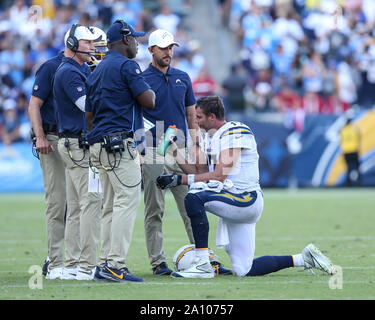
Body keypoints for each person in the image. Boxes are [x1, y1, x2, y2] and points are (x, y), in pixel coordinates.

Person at [156, 95, 336, 278]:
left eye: (199, 117)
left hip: (246, 199)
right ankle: (303, 258)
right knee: (244, 270)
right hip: (231, 200)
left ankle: (203, 264)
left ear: (212, 116)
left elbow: (219, 176)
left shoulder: (235, 130)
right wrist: (173, 150)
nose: (196, 121)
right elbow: (199, 173)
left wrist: (179, 180)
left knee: (193, 197)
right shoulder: (208, 138)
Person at [142, 29, 232, 276]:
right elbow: (137, 117)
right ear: (151, 50)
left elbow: (191, 113)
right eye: (163, 48)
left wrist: (195, 144)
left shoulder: (182, 76)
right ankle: (158, 262)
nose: (168, 52)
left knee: (192, 205)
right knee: (154, 209)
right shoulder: (140, 79)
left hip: (181, 148)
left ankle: (205, 259)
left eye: (171, 47)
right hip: (152, 150)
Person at [85, 20, 155, 283]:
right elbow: (149, 101)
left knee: (111, 205)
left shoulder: (98, 68)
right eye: (135, 39)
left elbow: (89, 115)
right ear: (125, 40)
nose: (138, 43)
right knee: (127, 201)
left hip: (98, 144)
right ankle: (115, 265)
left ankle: (104, 263)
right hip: (118, 144)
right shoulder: (128, 65)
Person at [53, 24, 103, 280]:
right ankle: (86, 265)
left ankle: (73, 265)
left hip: (73, 143)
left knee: (75, 208)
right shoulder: (70, 72)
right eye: (88, 43)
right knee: (91, 202)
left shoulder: (79, 69)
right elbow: (87, 106)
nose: (93, 47)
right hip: (77, 145)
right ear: (73, 43)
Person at [28, 48, 66, 280]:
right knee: (57, 201)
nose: (94, 48)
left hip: (79, 142)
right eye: (89, 43)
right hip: (52, 138)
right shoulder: (50, 66)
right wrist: (40, 136)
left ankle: (72, 260)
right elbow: (34, 104)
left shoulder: (89, 66)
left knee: (83, 203)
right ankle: (55, 261)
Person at [340, 117, 361, 186]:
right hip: (354, 150)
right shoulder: (354, 129)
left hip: (346, 151)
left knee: (348, 167)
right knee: (357, 167)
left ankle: (348, 182)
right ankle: (358, 181)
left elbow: (341, 140)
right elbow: (359, 137)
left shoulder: (343, 130)